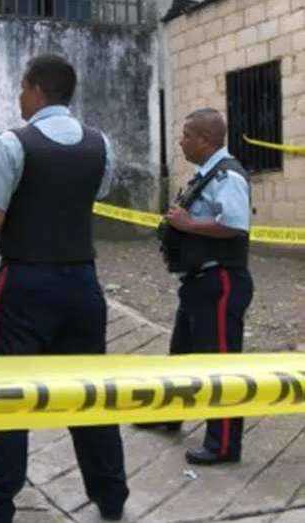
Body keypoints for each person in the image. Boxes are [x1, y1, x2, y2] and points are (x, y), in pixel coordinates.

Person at [0, 54, 129, 523]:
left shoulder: (13, 144)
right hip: (82, 284)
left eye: (21, 88)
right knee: (90, 395)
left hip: (27, 284)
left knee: (11, 399)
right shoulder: (100, 145)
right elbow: (90, 195)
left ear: (34, 89)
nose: (18, 97)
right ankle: (111, 500)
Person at [141, 108, 253, 466]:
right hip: (198, 282)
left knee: (218, 364)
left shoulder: (228, 176)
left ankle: (223, 445)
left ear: (205, 140)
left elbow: (234, 224)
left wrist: (188, 224)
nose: (181, 140)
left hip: (220, 281)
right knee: (182, 357)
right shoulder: (206, 175)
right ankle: (170, 416)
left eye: (187, 135)